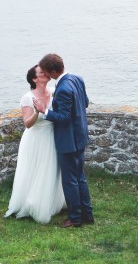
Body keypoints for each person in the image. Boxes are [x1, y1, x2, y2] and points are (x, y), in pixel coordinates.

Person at [32, 53, 93, 228]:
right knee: (80, 177)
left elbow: (64, 117)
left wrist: (45, 111)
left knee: (70, 180)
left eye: (45, 71)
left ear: (52, 71)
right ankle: (87, 214)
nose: (45, 74)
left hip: (69, 140)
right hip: (80, 135)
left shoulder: (64, 88)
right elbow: (85, 103)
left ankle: (75, 218)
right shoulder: (77, 79)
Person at [4, 65, 66, 223]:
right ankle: (31, 203)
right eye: (41, 72)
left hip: (52, 136)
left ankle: (50, 202)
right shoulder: (27, 97)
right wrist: (38, 111)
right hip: (35, 138)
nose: (45, 73)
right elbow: (27, 124)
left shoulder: (53, 91)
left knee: (51, 169)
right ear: (34, 79)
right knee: (34, 169)